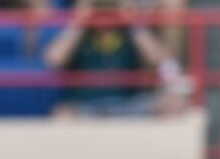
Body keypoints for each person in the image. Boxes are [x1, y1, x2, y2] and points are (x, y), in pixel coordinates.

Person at [43, 0, 180, 118]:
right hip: (86, 104)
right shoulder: (79, 31)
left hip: (128, 103)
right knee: (62, 114)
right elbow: (53, 60)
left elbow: (160, 61)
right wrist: (80, 20)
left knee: (171, 105)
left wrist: (131, 21)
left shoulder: (131, 30)